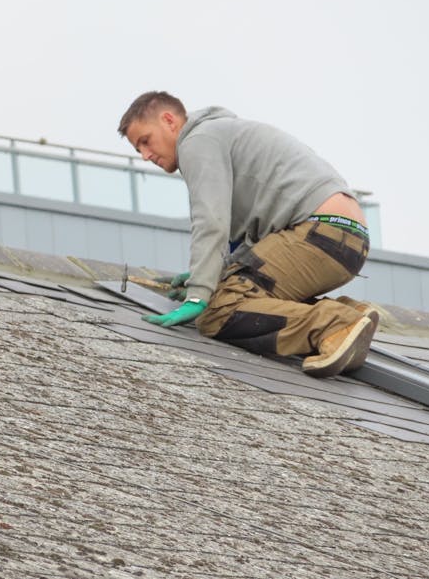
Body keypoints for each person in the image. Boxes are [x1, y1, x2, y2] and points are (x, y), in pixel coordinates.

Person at [118, 91, 377, 377]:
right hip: (347, 238)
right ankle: (352, 315)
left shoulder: (197, 141)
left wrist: (198, 295)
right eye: (137, 149)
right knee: (240, 289)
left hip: (319, 232)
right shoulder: (223, 135)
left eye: (145, 140)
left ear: (169, 120)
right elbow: (245, 244)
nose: (145, 155)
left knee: (219, 311)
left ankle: (334, 324)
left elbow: (210, 221)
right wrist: (211, 274)